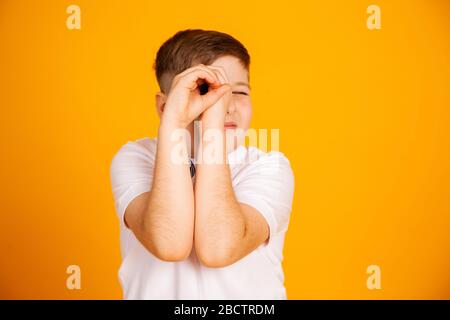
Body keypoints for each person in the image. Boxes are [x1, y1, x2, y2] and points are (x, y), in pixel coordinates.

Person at [110, 29, 295, 299]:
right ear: (165, 106)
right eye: (206, 90)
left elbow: (218, 248)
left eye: (240, 92)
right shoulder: (136, 158)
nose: (227, 106)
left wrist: (211, 129)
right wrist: (173, 123)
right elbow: (169, 244)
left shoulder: (269, 166)